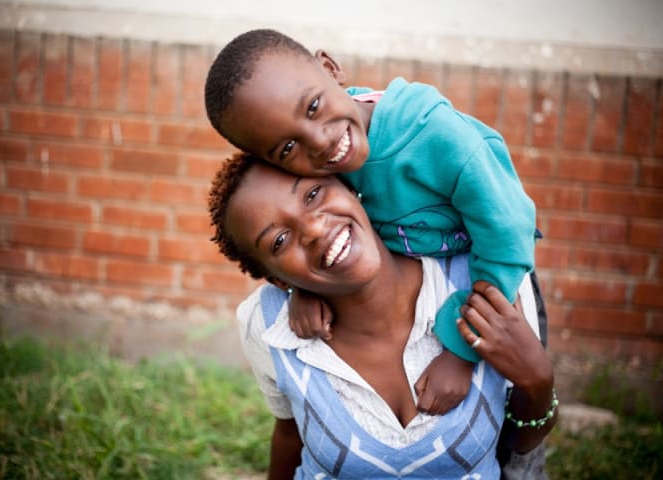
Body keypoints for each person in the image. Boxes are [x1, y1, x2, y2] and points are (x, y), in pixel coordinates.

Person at [204, 29, 548, 416]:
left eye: (313, 106)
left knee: (507, 419)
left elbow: (508, 234)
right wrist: (303, 290)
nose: (319, 141)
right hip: (427, 282)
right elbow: (311, 229)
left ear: (330, 68)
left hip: (498, 276)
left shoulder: (435, 135)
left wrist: (460, 354)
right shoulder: (329, 151)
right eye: (287, 147)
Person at [207, 152, 556, 479]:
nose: (313, 230)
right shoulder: (270, 324)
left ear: (349, 187)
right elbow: (290, 432)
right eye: (280, 240)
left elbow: (518, 448)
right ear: (277, 278)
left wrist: (538, 381)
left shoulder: (488, 280)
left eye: (313, 194)